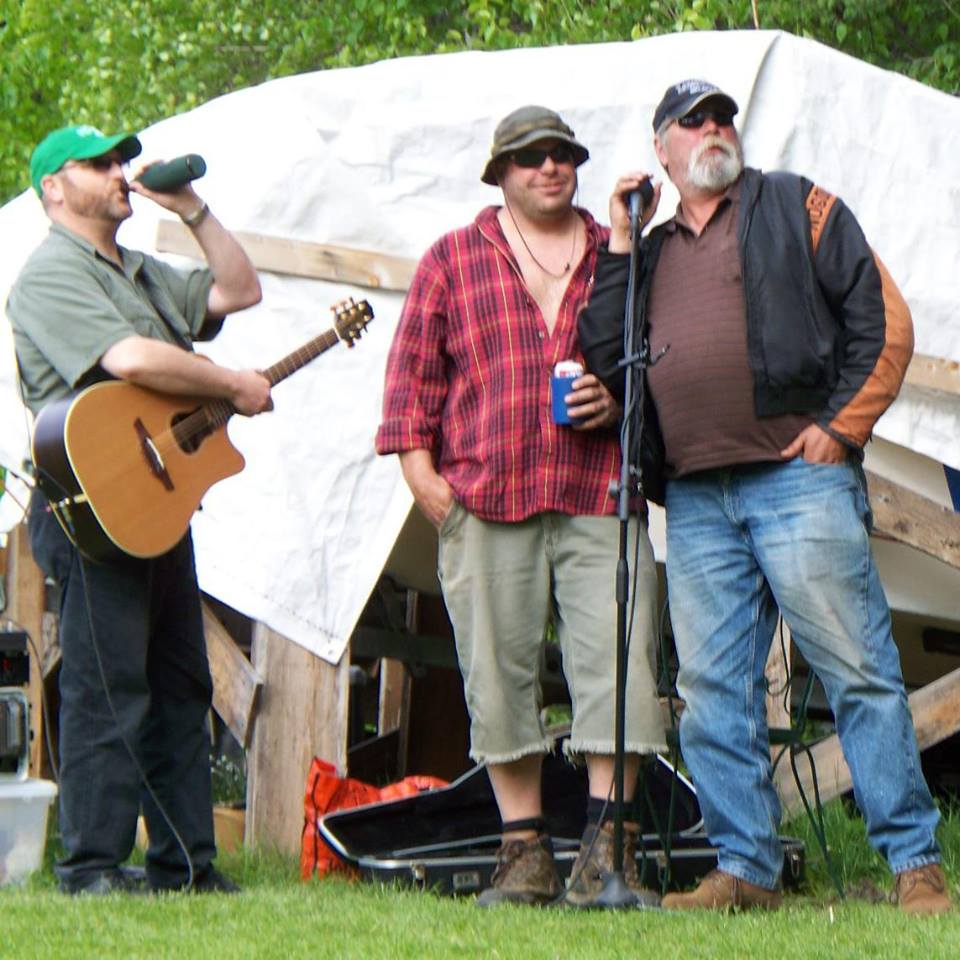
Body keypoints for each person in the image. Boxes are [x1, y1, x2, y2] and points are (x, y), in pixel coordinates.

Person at [579, 79, 952, 915]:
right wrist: (615, 238)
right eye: (692, 121)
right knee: (713, 690)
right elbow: (601, 354)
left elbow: (884, 322)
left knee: (856, 671)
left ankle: (917, 864)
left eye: (722, 117)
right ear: (663, 149)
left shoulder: (796, 204)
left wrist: (838, 429)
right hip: (695, 499)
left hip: (797, 481)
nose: (714, 129)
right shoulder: (647, 246)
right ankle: (745, 868)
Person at [375, 106, 665, 907]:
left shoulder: (621, 254)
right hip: (487, 493)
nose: (550, 167)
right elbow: (410, 384)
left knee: (620, 664)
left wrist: (617, 400)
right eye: (532, 157)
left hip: (599, 489)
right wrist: (425, 481)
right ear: (499, 173)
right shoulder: (452, 259)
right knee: (497, 676)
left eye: (563, 155)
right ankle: (524, 855)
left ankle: (608, 856)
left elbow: (662, 358)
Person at [6, 125, 272, 895]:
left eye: (123, 159)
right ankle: (90, 863)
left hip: (154, 503)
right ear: (55, 187)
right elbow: (128, 359)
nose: (121, 172)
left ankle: (185, 863)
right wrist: (227, 384)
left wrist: (191, 208)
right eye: (101, 164)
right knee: (108, 684)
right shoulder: (50, 274)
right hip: (89, 507)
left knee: (181, 682)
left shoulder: (142, 273)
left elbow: (238, 289)